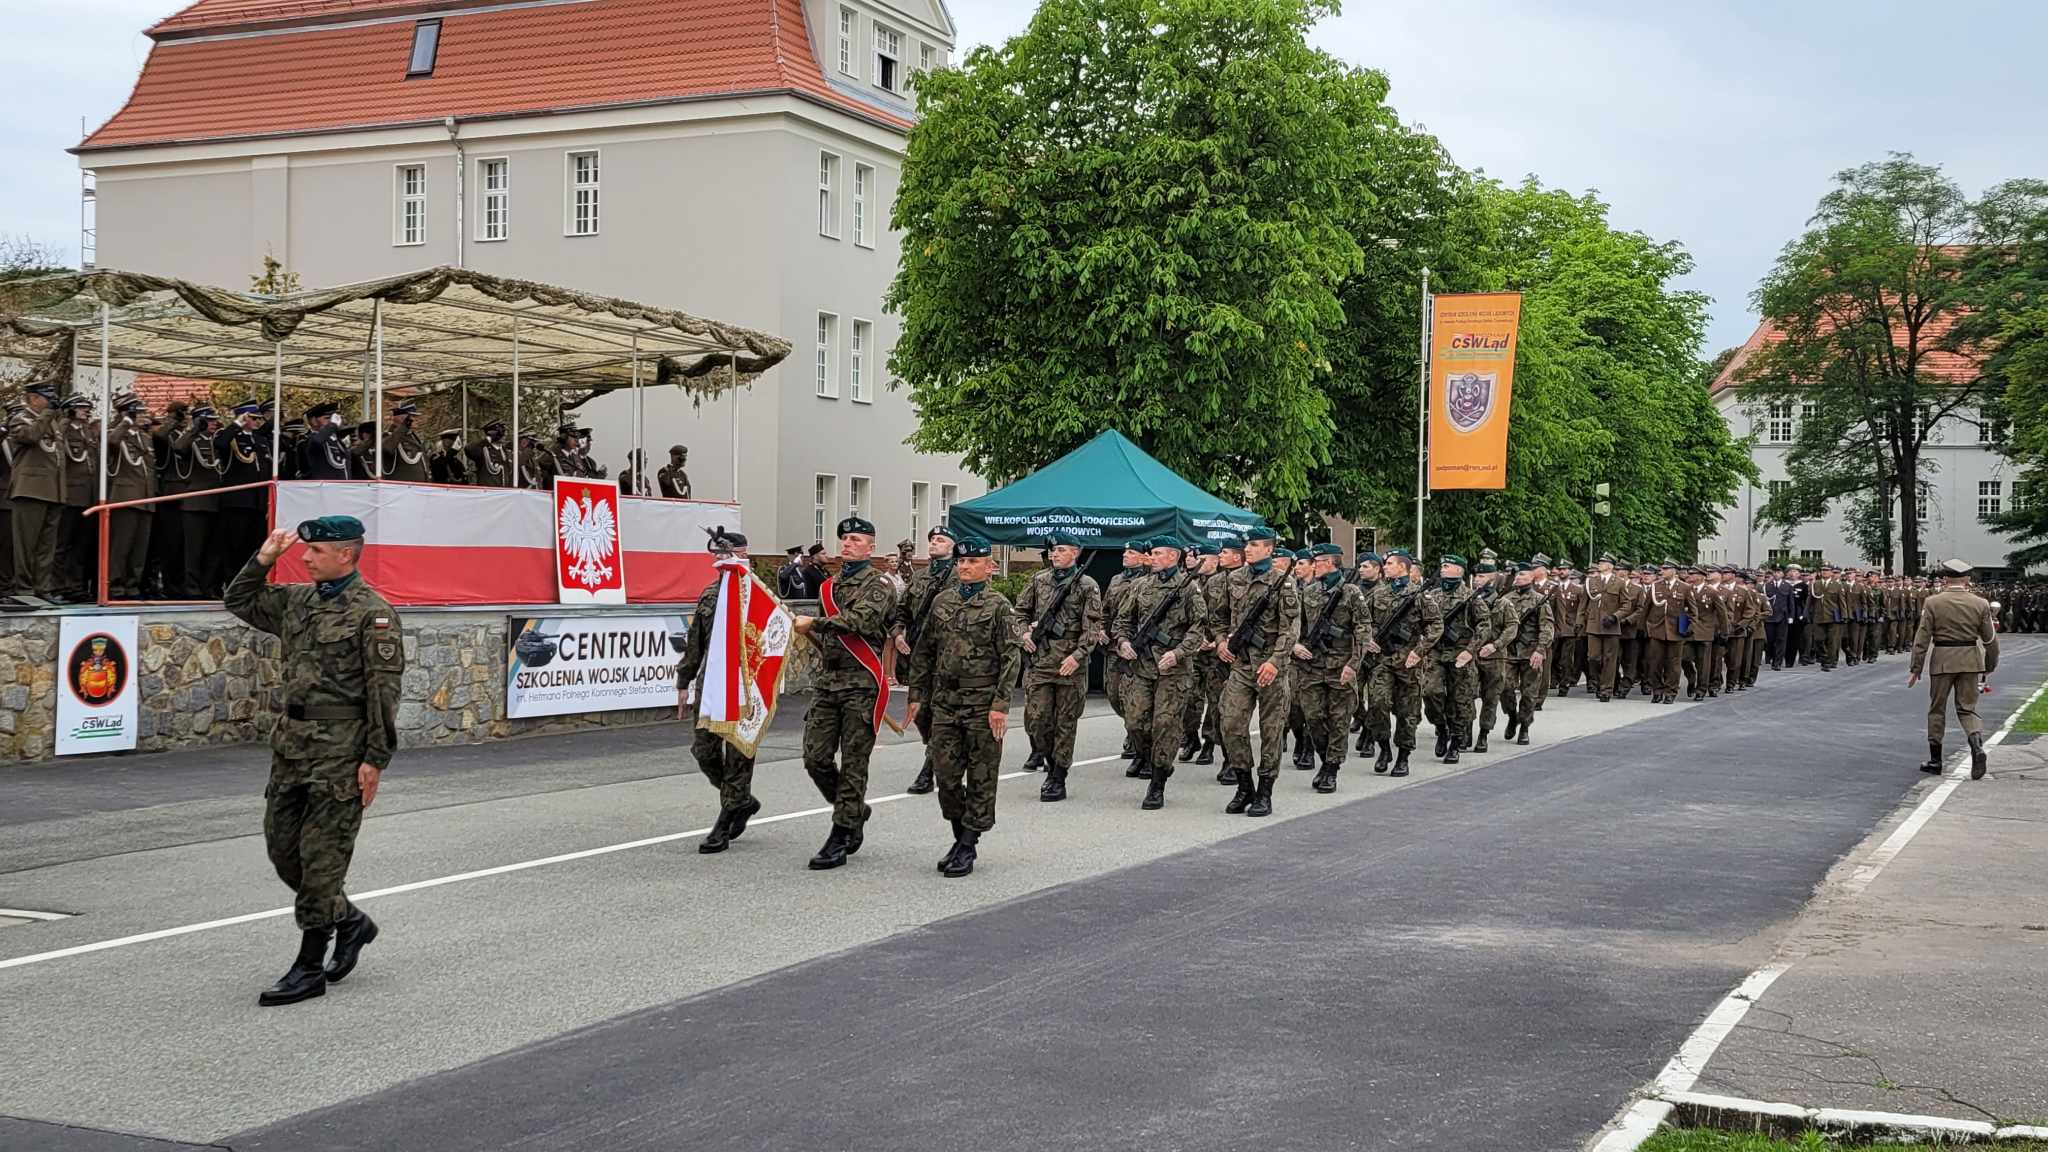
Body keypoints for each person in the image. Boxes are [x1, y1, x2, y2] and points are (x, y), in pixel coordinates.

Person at [224, 516, 404, 1007]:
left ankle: (308, 967)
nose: (304, 558)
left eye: (317, 552)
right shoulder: (298, 601)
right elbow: (238, 600)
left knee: (322, 864)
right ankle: (349, 922)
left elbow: (382, 692)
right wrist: (263, 559)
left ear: (346, 554)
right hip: (293, 747)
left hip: (341, 753)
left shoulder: (374, 613)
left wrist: (374, 759)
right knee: (284, 851)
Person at [907, 534, 1021, 877]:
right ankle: (960, 835)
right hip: (945, 703)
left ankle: (968, 844)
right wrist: (916, 694)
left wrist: (1000, 704)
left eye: (973, 562)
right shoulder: (942, 601)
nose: (965, 567)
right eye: (961, 561)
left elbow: (1011, 658)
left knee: (983, 775)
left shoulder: (999, 606)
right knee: (946, 775)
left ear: (989, 567)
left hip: (983, 703)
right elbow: (924, 650)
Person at [792, 517, 897, 870]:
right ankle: (854, 811)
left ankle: (841, 834)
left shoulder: (879, 584)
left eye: (855, 539)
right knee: (815, 757)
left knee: (854, 763)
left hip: (861, 685)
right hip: (828, 683)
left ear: (871, 546)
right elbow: (829, 639)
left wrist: (815, 623)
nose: (847, 544)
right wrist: (812, 632)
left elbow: (861, 621)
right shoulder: (829, 586)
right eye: (844, 539)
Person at [676, 527, 764, 854]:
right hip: (712, 686)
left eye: (725, 554)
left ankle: (724, 823)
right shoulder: (711, 594)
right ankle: (741, 800)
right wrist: (683, 681)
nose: (718, 559)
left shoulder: (759, 595)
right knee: (704, 751)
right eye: (715, 555)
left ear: (742, 553)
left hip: (747, 690)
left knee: (738, 755)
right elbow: (695, 642)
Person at [1113, 535, 1208, 810]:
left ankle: (1157, 782)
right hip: (1142, 666)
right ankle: (1152, 759)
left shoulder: (1189, 589)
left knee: (1165, 725)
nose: (1151, 557)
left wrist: (1177, 653)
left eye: (1157, 553)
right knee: (1135, 723)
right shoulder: (1141, 585)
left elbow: (1198, 627)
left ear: (1173, 556)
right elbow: (1123, 619)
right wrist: (1123, 642)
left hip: (1174, 671)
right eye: (1151, 554)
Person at [1217, 526, 1299, 815]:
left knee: (1271, 730)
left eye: (1253, 545)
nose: (1247, 550)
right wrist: (1220, 641)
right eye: (1246, 545)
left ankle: (1265, 791)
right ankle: (1244, 786)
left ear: (1268, 549)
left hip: (1271, 666)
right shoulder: (1234, 578)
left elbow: (1291, 629)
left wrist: (1275, 661)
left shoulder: (1283, 583)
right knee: (1230, 724)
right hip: (1241, 663)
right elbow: (1219, 617)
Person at [1014, 532, 1101, 802]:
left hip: (1069, 666)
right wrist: (1023, 635)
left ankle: (1057, 775)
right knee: (1038, 720)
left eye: (1061, 549)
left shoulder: (1087, 585)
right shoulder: (1039, 580)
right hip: (1041, 662)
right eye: (1052, 550)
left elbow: (1093, 626)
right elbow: (1020, 613)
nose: (1054, 554)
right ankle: (1048, 760)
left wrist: (1078, 656)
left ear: (1075, 552)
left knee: (1065, 723)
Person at [1910, 558, 2000, 780]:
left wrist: (1916, 667)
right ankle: (1977, 747)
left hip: (1942, 659)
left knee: (1937, 708)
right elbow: (1990, 640)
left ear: (1945, 579)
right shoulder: (1980, 604)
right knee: (1967, 708)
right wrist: (1988, 666)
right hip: (1970, 659)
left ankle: (1935, 760)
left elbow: (1922, 638)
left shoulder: (1933, 602)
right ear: (1967, 579)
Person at [1292, 543, 1368, 792]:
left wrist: (1353, 665)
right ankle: (1326, 759)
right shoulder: (1310, 591)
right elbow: (1297, 625)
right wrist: (1295, 645)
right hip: (1312, 666)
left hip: (1340, 666)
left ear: (1332, 563)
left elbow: (1363, 630)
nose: (1314, 565)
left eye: (1319, 561)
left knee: (1339, 720)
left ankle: (1331, 768)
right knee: (1313, 717)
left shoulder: (1351, 592)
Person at [892, 525, 956, 795]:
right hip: (918, 658)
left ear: (952, 546)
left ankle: (928, 771)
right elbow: (901, 611)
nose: (934, 543)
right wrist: (897, 634)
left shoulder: (959, 576)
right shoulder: (918, 578)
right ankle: (941, 751)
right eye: (931, 539)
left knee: (940, 714)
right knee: (919, 713)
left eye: (940, 540)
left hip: (945, 658)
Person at [1423, 554, 1488, 764]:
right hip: (1436, 651)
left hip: (1460, 653)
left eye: (1448, 565)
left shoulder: (1471, 597)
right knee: (1430, 691)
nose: (1442, 568)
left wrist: (1470, 650)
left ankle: (1455, 742)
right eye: (1442, 565)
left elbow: (1484, 626)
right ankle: (1441, 728)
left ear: (1459, 571)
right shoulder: (1431, 596)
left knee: (1460, 700)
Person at [7, 381, 65, 600]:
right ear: (32, 398)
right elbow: (30, 436)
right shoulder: (21, 418)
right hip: (30, 489)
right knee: (26, 544)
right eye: (45, 398)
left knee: (46, 546)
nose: (50, 402)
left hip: (53, 490)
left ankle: (43, 588)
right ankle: (24, 588)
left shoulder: (51, 422)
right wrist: (49, 413)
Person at [105, 393, 157, 600]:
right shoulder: (116, 432)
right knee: (121, 545)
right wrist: (126, 420)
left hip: (145, 498)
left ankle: (132, 586)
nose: (145, 415)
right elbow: (112, 442)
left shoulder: (144, 437)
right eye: (140, 412)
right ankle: (115, 586)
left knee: (139, 548)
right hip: (125, 496)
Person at [1199, 535, 1243, 776]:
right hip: (1217, 655)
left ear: (1237, 555)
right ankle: (1227, 756)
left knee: (1235, 712)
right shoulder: (1214, 583)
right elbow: (1204, 615)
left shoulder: (1249, 581)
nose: (1221, 556)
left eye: (1225, 553)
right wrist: (1209, 639)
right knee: (1217, 708)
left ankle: (1235, 761)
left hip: (1243, 657)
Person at [1104, 541, 1149, 761]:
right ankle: (1131, 726)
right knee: (1113, 694)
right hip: (1115, 646)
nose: (1125, 555)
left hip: (1138, 649)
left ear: (1143, 557)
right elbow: (1105, 610)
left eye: (1131, 552)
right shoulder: (1116, 580)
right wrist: (1101, 630)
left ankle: (1136, 736)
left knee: (1133, 697)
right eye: (1125, 551)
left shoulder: (1149, 580)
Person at [1501, 563, 1553, 744]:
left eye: (1522, 574)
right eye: (1516, 575)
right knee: (1505, 687)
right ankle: (1512, 715)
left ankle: (1524, 726)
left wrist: (1540, 650)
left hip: (1531, 652)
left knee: (1529, 692)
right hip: (1509, 651)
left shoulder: (1540, 600)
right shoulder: (1506, 599)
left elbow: (1547, 627)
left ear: (1532, 577)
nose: (1518, 577)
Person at [55, 393, 98, 602]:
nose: (86, 411)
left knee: (81, 544)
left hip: (87, 495)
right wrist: (64, 419)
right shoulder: (63, 428)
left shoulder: (87, 432)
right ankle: (58, 585)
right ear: (70, 409)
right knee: (63, 543)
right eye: (81, 408)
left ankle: (75, 585)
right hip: (71, 493)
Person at [1642, 560, 1689, 704]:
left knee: (1673, 665)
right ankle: (1657, 690)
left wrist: (1688, 628)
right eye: (1662, 568)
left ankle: (1670, 692)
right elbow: (1646, 609)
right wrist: (1644, 628)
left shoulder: (1684, 587)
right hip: (1657, 629)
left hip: (1676, 631)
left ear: (1674, 570)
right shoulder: (1655, 586)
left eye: (1666, 568)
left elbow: (1692, 611)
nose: (1662, 571)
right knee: (1655, 663)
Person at [465, 421, 512, 487]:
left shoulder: (506, 451)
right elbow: (468, 449)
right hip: (487, 492)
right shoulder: (483, 450)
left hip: (503, 492)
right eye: (502, 432)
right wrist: (488, 439)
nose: (505, 434)